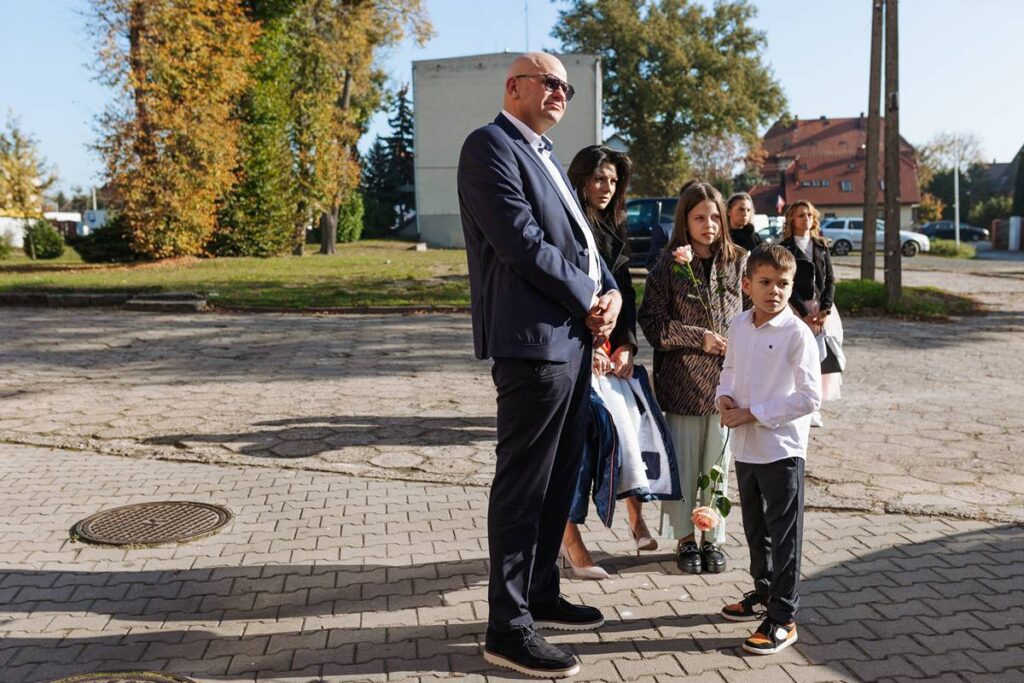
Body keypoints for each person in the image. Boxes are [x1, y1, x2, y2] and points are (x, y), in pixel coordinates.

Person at [457, 51, 622, 679]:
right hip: (532, 344)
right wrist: (588, 299)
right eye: (549, 82)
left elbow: (584, 245)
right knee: (525, 484)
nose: (560, 92)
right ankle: (508, 626)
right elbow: (522, 243)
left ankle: (544, 593)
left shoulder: (550, 156)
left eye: (567, 87)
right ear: (514, 86)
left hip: (575, 343)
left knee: (560, 480)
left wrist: (607, 296)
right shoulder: (489, 147)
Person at [715, 244, 822, 655]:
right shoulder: (739, 324)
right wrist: (723, 397)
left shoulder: (797, 334)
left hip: (781, 448)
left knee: (784, 535)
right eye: (765, 282)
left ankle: (783, 617)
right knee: (755, 529)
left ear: (792, 286)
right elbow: (731, 370)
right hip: (745, 447)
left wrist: (754, 413)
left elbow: (810, 397)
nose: (774, 291)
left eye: (783, 283)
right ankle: (763, 591)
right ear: (747, 285)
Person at [637, 181, 745, 575]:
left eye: (715, 217)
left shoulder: (739, 261)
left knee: (718, 464)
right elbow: (652, 322)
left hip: (727, 386)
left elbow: (753, 316)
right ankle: (684, 539)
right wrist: (700, 338)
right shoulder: (668, 265)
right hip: (683, 383)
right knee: (684, 466)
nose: (709, 225)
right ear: (684, 220)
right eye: (700, 217)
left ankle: (713, 536)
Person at [561, 145, 657, 579]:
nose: (606, 187)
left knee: (629, 430)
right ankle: (570, 542)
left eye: (614, 181)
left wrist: (626, 347)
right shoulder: (566, 221)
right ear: (581, 178)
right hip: (575, 348)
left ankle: (637, 517)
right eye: (599, 178)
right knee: (578, 451)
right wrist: (593, 345)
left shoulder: (614, 227)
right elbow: (568, 289)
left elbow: (626, 294)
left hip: (610, 354)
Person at [778, 200, 843, 426]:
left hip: (821, 310)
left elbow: (830, 280)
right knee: (798, 357)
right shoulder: (785, 248)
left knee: (820, 358)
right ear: (792, 220)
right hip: (796, 309)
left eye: (808, 215)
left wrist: (825, 309)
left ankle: (815, 406)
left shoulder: (821, 246)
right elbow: (786, 282)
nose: (806, 219)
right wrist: (802, 312)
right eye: (800, 215)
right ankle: (796, 404)